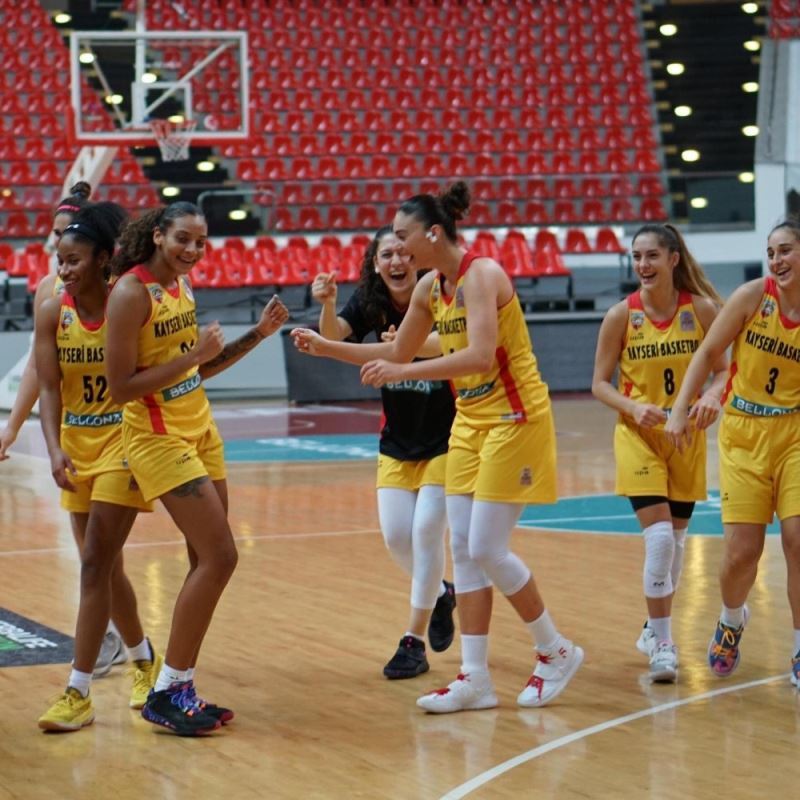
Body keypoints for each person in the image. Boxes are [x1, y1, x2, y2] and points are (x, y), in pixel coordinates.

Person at [293, 182, 583, 713]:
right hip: (469, 421)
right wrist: (325, 346)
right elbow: (397, 350)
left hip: (514, 417)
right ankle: (475, 677)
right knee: (466, 552)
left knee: (487, 548)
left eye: (403, 237)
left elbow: (478, 356)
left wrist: (401, 370)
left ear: (431, 234)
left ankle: (556, 649)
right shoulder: (431, 287)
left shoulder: (483, 274)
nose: (398, 249)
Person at [105, 202, 288, 735]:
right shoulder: (131, 293)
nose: (193, 249)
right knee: (222, 556)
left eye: (201, 242)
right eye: (183, 238)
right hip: (158, 437)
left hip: (200, 430)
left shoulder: (181, 287)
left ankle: (180, 686)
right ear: (158, 236)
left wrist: (258, 333)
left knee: (203, 560)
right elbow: (121, 388)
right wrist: (191, 357)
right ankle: (166, 690)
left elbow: (198, 369)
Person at [310, 226, 457, 679]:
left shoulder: (441, 295)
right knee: (396, 538)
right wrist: (328, 305)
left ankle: (413, 641)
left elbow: (448, 345)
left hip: (447, 436)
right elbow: (336, 335)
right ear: (375, 265)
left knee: (427, 531)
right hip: (397, 439)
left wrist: (398, 351)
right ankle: (441, 594)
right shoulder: (370, 301)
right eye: (387, 255)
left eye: (404, 254)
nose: (397, 262)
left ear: (419, 260)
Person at [36, 202, 159, 731]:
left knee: (92, 564)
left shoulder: (124, 304)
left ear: (103, 259)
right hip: (77, 449)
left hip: (124, 443)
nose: (64, 270)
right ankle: (144, 659)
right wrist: (53, 449)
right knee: (108, 569)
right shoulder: (52, 311)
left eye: (74, 260)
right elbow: (48, 388)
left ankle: (78, 691)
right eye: (60, 260)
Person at [1, 181, 129, 677]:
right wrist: (13, 427)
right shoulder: (50, 293)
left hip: (122, 436)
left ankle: (121, 646)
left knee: (102, 557)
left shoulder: (121, 292)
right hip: (76, 440)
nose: (58, 243)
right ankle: (125, 643)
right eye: (55, 236)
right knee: (95, 557)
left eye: (66, 234)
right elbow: (42, 370)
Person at [665, 217, 800, 684]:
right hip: (744, 431)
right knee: (743, 552)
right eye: (771, 252)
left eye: (785, 250)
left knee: (798, 540)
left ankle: (799, 647)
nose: (776, 260)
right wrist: (681, 408)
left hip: (795, 433)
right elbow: (707, 354)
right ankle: (731, 618)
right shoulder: (752, 297)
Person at [592, 223, 727, 683]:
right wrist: (632, 407)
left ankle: (653, 628)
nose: (643, 265)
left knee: (678, 544)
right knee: (661, 539)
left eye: (651, 256)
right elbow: (599, 384)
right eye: (636, 257)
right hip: (639, 436)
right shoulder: (620, 316)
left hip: (684, 436)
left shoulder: (702, 310)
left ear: (672, 259)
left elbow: (724, 370)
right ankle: (665, 644)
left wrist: (712, 397)